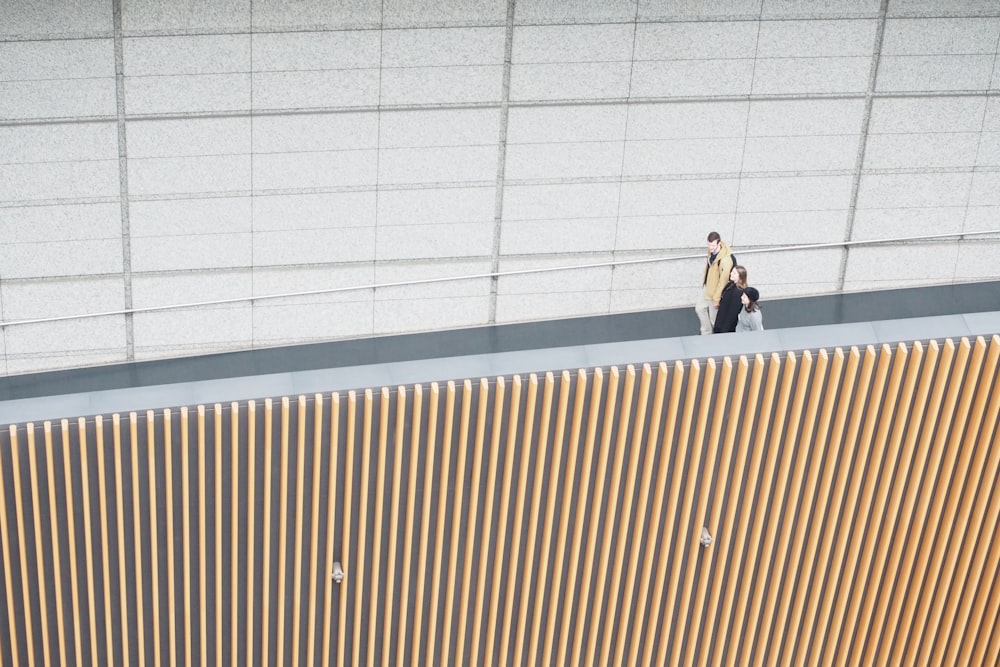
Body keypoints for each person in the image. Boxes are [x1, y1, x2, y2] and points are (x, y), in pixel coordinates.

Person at [695, 231, 734, 335]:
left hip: (715, 292)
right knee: (699, 308)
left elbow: (723, 281)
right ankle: (706, 332)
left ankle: (716, 337)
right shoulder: (711, 253)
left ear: (719, 243)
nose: (710, 247)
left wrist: (716, 298)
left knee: (714, 318)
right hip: (708, 287)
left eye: (712, 245)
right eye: (708, 244)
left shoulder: (725, 260)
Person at [713, 265, 747, 333]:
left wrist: (724, 330)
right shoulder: (730, 285)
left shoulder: (738, 291)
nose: (731, 274)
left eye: (734, 273)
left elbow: (732, 314)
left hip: (726, 327)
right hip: (721, 319)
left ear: (740, 276)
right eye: (732, 272)